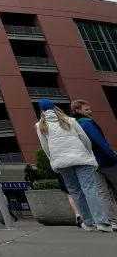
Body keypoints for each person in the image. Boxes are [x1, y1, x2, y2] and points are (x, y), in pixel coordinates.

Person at [35, 99, 112, 232]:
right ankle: (102, 222)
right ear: (55, 107)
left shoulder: (40, 126)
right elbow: (84, 138)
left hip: (62, 162)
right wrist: (88, 153)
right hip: (81, 158)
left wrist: (53, 160)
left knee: (75, 191)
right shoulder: (70, 120)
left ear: (41, 110)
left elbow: (45, 147)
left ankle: (88, 223)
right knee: (89, 189)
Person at [71, 99, 117, 228]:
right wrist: (113, 156)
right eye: (86, 109)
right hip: (105, 161)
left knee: (103, 193)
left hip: (91, 163)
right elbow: (100, 142)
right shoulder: (87, 123)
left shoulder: (74, 125)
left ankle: (112, 221)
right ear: (78, 110)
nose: (90, 111)